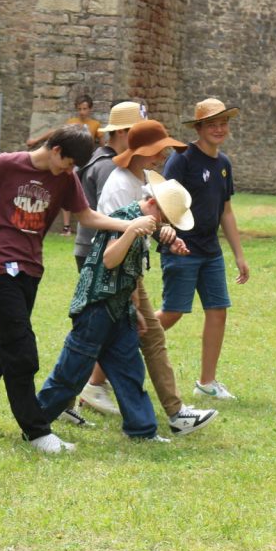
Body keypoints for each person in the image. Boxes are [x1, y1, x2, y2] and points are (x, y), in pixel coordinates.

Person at [0, 126, 135, 453]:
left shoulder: (66, 179)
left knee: (1, 348)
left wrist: (129, 225)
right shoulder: (8, 164)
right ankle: (36, 431)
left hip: (31, 271)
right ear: (55, 150)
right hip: (0, 267)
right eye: (67, 163)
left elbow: (87, 216)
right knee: (22, 349)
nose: (69, 171)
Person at [35, 171, 196, 447]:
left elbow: (129, 268)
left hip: (120, 310)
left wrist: (135, 308)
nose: (165, 224)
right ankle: (35, 425)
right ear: (155, 205)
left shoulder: (144, 222)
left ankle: (142, 429)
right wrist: (131, 229)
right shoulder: (127, 219)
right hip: (96, 308)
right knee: (70, 373)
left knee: (129, 370)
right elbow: (110, 260)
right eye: (166, 217)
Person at [95, 121, 219, 436]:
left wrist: (168, 236)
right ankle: (70, 399)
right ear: (142, 152)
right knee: (100, 341)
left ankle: (173, 413)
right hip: (118, 272)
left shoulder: (144, 179)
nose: (163, 155)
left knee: (130, 339)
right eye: (158, 150)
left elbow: (152, 216)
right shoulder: (120, 184)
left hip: (130, 269)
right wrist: (133, 296)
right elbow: (116, 234)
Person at [157, 98, 249, 401]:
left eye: (223, 124)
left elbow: (226, 211)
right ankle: (111, 355)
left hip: (210, 252)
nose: (219, 129)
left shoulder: (224, 164)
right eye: (212, 124)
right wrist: (170, 239)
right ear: (199, 128)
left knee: (218, 311)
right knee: (171, 313)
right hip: (182, 249)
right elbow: (163, 202)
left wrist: (239, 255)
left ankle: (207, 382)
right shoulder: (182, 159)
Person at [74, 101, 143, 416]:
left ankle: (93, 384)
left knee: (104, 328)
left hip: (100, 251)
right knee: (94, 331)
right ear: (126, 133)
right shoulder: (108, 167)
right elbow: (110, 219)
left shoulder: (100, 160)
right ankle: (83, 387)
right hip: (100, 254)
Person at [27, 95, 103, 235]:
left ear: (90, 109)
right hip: (70, 160)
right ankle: (67, 226)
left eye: (85, 109)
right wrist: (36, 140)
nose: (82, 112)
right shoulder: (72, 122)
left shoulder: (95, 125)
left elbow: (102, 143)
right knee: (66, 189)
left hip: (83, 161)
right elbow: (56, 133)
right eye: (79, 109)